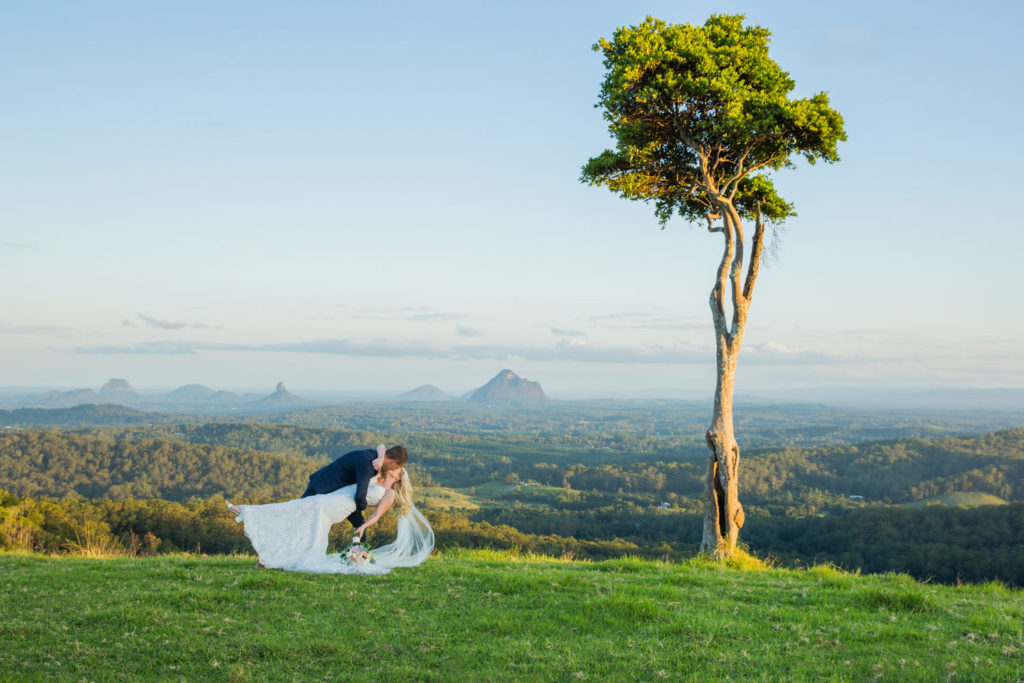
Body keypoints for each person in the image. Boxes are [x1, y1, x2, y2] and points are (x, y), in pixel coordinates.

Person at [226, 445, 433, 574]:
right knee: (293, 510)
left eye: (399, 471)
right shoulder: (373, 470)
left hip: (333, 506)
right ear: (393, 464)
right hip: (327, 497)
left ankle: (253, 524)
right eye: (398, 466)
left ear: (397, 476)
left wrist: (362, 526)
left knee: (297, 516)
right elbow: (380, 448)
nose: (397, 470)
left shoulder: (389, 494)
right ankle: (248, 513)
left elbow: (375, 514)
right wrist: (381, 454)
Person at [302, 444, 409, 534]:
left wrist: (357, 507)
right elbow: (360, 496)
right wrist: (361, 506)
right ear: (393, 462)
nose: (394, 469)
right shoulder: (374, 465)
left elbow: (369, 505)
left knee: (359, 526)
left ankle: (359, 553)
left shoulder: (374, 460)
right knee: (301, 514)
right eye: (396, 467)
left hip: (344, 497)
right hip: (323, 487)